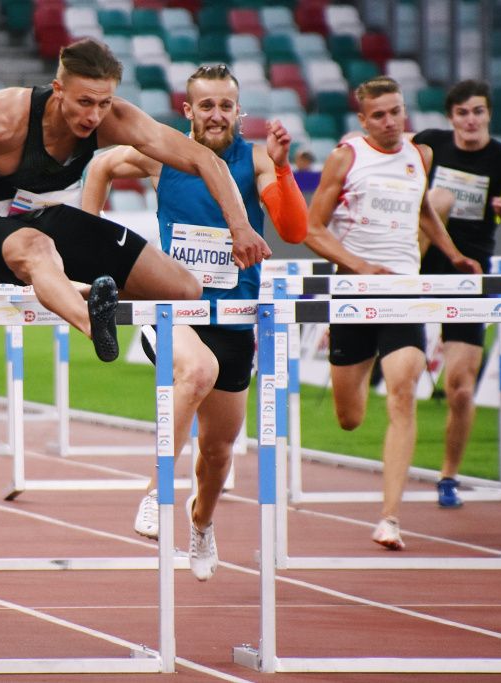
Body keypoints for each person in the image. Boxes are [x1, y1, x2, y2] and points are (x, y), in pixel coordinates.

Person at [0, 38, 273, 363]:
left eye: (104, 103)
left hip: (44, 216)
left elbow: (203, 159)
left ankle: (75, 292)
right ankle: (94, 326)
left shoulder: (113, 119)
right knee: (37, 247)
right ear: (57, 90)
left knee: (182, 287)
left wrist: (241, 229)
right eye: (84, 102)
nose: (94, 116)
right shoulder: (3, 120)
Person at [81, 64, 308, 579]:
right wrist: (86, 246)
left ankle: (201, 523)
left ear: (238, 110)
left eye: (225, 105)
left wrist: (284, 167)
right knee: (196, 372)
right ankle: (157, 488)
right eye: (205, 105)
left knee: (219, 452)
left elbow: (294, 230)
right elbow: (100, 167)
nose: (216, 115)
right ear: (188, 110)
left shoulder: (255, 161)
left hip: (233, 317)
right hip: (173, 309)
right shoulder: (166, 156)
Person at [302, 76, 482, 551]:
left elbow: (422, 208)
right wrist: (361, 267)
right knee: (349, 417)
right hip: (354, 292)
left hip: (403, 289)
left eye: (396, 111)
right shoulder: (347, 157)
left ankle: (390, 518)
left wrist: (453, 252)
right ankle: (354, 379)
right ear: (363, 120)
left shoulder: (419, 156)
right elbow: (310, 228)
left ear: (406, 112)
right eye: (379, 115)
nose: (390, 122)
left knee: (403, 389)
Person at [412, 79, 501, 508]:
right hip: (417, 261)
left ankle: (448, 476)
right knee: (440, 196)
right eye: (463, 112)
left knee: (462, 389)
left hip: (468, 275)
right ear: (451, 118)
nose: (471, 120)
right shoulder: (431, 144)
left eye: (479, 112)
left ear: (488, 116)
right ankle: (397, 279)